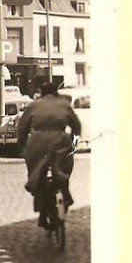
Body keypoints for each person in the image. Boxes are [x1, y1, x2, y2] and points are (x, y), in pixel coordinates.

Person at [16, 81, 82, 226]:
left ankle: (41, 208)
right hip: (60, 140)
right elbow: (76, 126)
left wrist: (22, 146)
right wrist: (74, 141)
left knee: (37, 172)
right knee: (64, 168)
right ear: (55, 92)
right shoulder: (64, 104)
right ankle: (64, 193)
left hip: (38, 142)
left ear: (41, 92)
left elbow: (22, 128)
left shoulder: (34, 105)